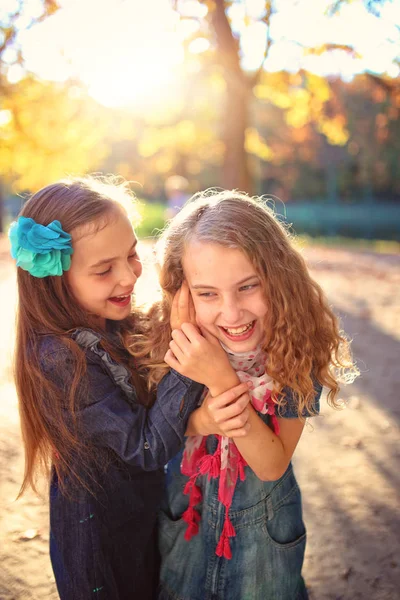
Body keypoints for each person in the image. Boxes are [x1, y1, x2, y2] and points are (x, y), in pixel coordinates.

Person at [9, 177, 250, 600]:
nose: (128, 276)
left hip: (143, 515)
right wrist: (187, 358)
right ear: (55, 280)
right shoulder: (58, 358)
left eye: (132, 255)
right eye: (104, 270)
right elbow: (144, 445)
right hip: (102, 544)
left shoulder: (114, 322)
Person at [128, 189, 358, 600]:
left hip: (263, 541)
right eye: (208, 293)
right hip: (187, 521)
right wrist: (199, 418)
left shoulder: (298, 347)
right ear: (183, 292)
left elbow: (271, 463)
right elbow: (149, 434)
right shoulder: (170, 339)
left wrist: (219, 378)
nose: (231, 314)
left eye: (248, 287)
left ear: (279, 279)